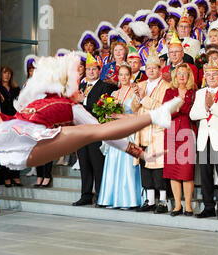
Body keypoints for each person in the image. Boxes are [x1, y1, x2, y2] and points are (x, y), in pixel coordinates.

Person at [0, 53, 182, 176]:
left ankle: (156, 116)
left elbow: (106, 134)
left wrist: (141, 153)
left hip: (23, 142)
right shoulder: (52, 100)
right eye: (76, 81)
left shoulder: (52, 101)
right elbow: (104, 132)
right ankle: (155, 116)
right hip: (27, 141)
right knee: (96, 132)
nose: (78, 84)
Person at [190, 58, 218, 220]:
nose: (211, 77)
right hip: (205, 139)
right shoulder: (200, 92)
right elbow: (193, 114)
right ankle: (208, 206)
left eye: (214, 75)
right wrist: (208, 109)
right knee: (205, 175)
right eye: (208, 75)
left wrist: (213, 106)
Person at [73, 54, 118, 207]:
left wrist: (83, 101)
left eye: (94, 69)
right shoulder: (80, 87)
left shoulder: (105, 86)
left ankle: (100, 195)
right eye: (88, 70)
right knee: (84, 163)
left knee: (97, 164)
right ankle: (85, 194)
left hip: (96, 130)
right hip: (81, 131)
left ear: (99, 71)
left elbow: (100, 107)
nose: (91, 72)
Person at [97, 65, 143, 209]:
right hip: (116, 131)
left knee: (128, 165)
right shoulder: (114, 93)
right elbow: (109, 113)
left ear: (130, 76)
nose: (123, 77)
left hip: (129, 132)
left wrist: (120, 116)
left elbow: (138, 115)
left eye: (126, 75)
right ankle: (111, 198)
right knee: (113, 164)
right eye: (121, 75)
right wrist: (108, 116)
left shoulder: (135, 93)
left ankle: (128, 199)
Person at [133, 47, 171, 214]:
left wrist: (143, 99)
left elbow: (162, 108)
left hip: (157, 131)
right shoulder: (140, 85)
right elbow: (134, 107)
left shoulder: (166, 87)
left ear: (160, 70)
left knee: (158, 166)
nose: (151, 71)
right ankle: (149, 199)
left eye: (154, 68)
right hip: (142, 130)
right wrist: (136, 98)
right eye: (148, 68)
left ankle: (162, 200)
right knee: (144, 165)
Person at [163, 64, 197, 217]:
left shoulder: (194, 93)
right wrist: (179, 107)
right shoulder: (169, 92)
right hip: (171, 133)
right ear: (175, 77)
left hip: (187, 133)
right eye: (179, 73)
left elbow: (192, 112)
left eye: (185, 73)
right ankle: (177, 205)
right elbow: (166, 112)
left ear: (189, 76)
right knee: (173, 171)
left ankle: (188, 206)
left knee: (186, 171)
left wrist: (178, 107)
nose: (182, 76)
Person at [0, 66, 22, 188]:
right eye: (4, 73)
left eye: (9, 73)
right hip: (2, 122)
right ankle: (6, 177)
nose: (6, 76)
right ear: (1, 75)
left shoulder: (15, 88)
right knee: (5, 150)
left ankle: (15, 175)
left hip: (15, 121)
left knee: (16, 149)